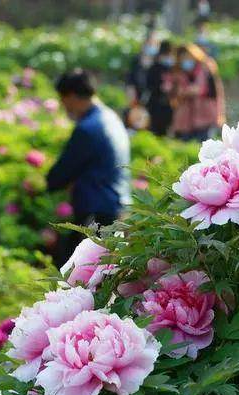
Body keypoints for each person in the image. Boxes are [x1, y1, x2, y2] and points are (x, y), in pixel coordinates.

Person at [46, 69, 130, 266]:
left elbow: (60, 174)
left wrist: (43, 185)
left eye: (63, 99)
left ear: (72, 96)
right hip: (115, 206)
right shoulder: (110, 117)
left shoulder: (88, 128)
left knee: (78, 273)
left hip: (97, 211)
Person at [171, 44, 224, 141]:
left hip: (206, 117)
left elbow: (216, 94)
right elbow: (173, 97)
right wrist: (184, 92)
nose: (185, 61)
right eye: (182, 58)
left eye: (187, 57)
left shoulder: (206, 69)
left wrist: (200, 91)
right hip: (185, 120)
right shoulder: (177, 73)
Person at [146, 40, 175, 136]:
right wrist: (160, 87)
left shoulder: (173, 68)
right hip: (156, 103)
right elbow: (149, 85)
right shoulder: (155, 68)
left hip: (168, 104)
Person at [125, 31, 159, 107]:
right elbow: (130, 79)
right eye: (148, 44)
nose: (151, 46)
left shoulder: (159, 62)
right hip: (136, 98)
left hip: (154, 102)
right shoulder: (136, 60)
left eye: (153, 44)